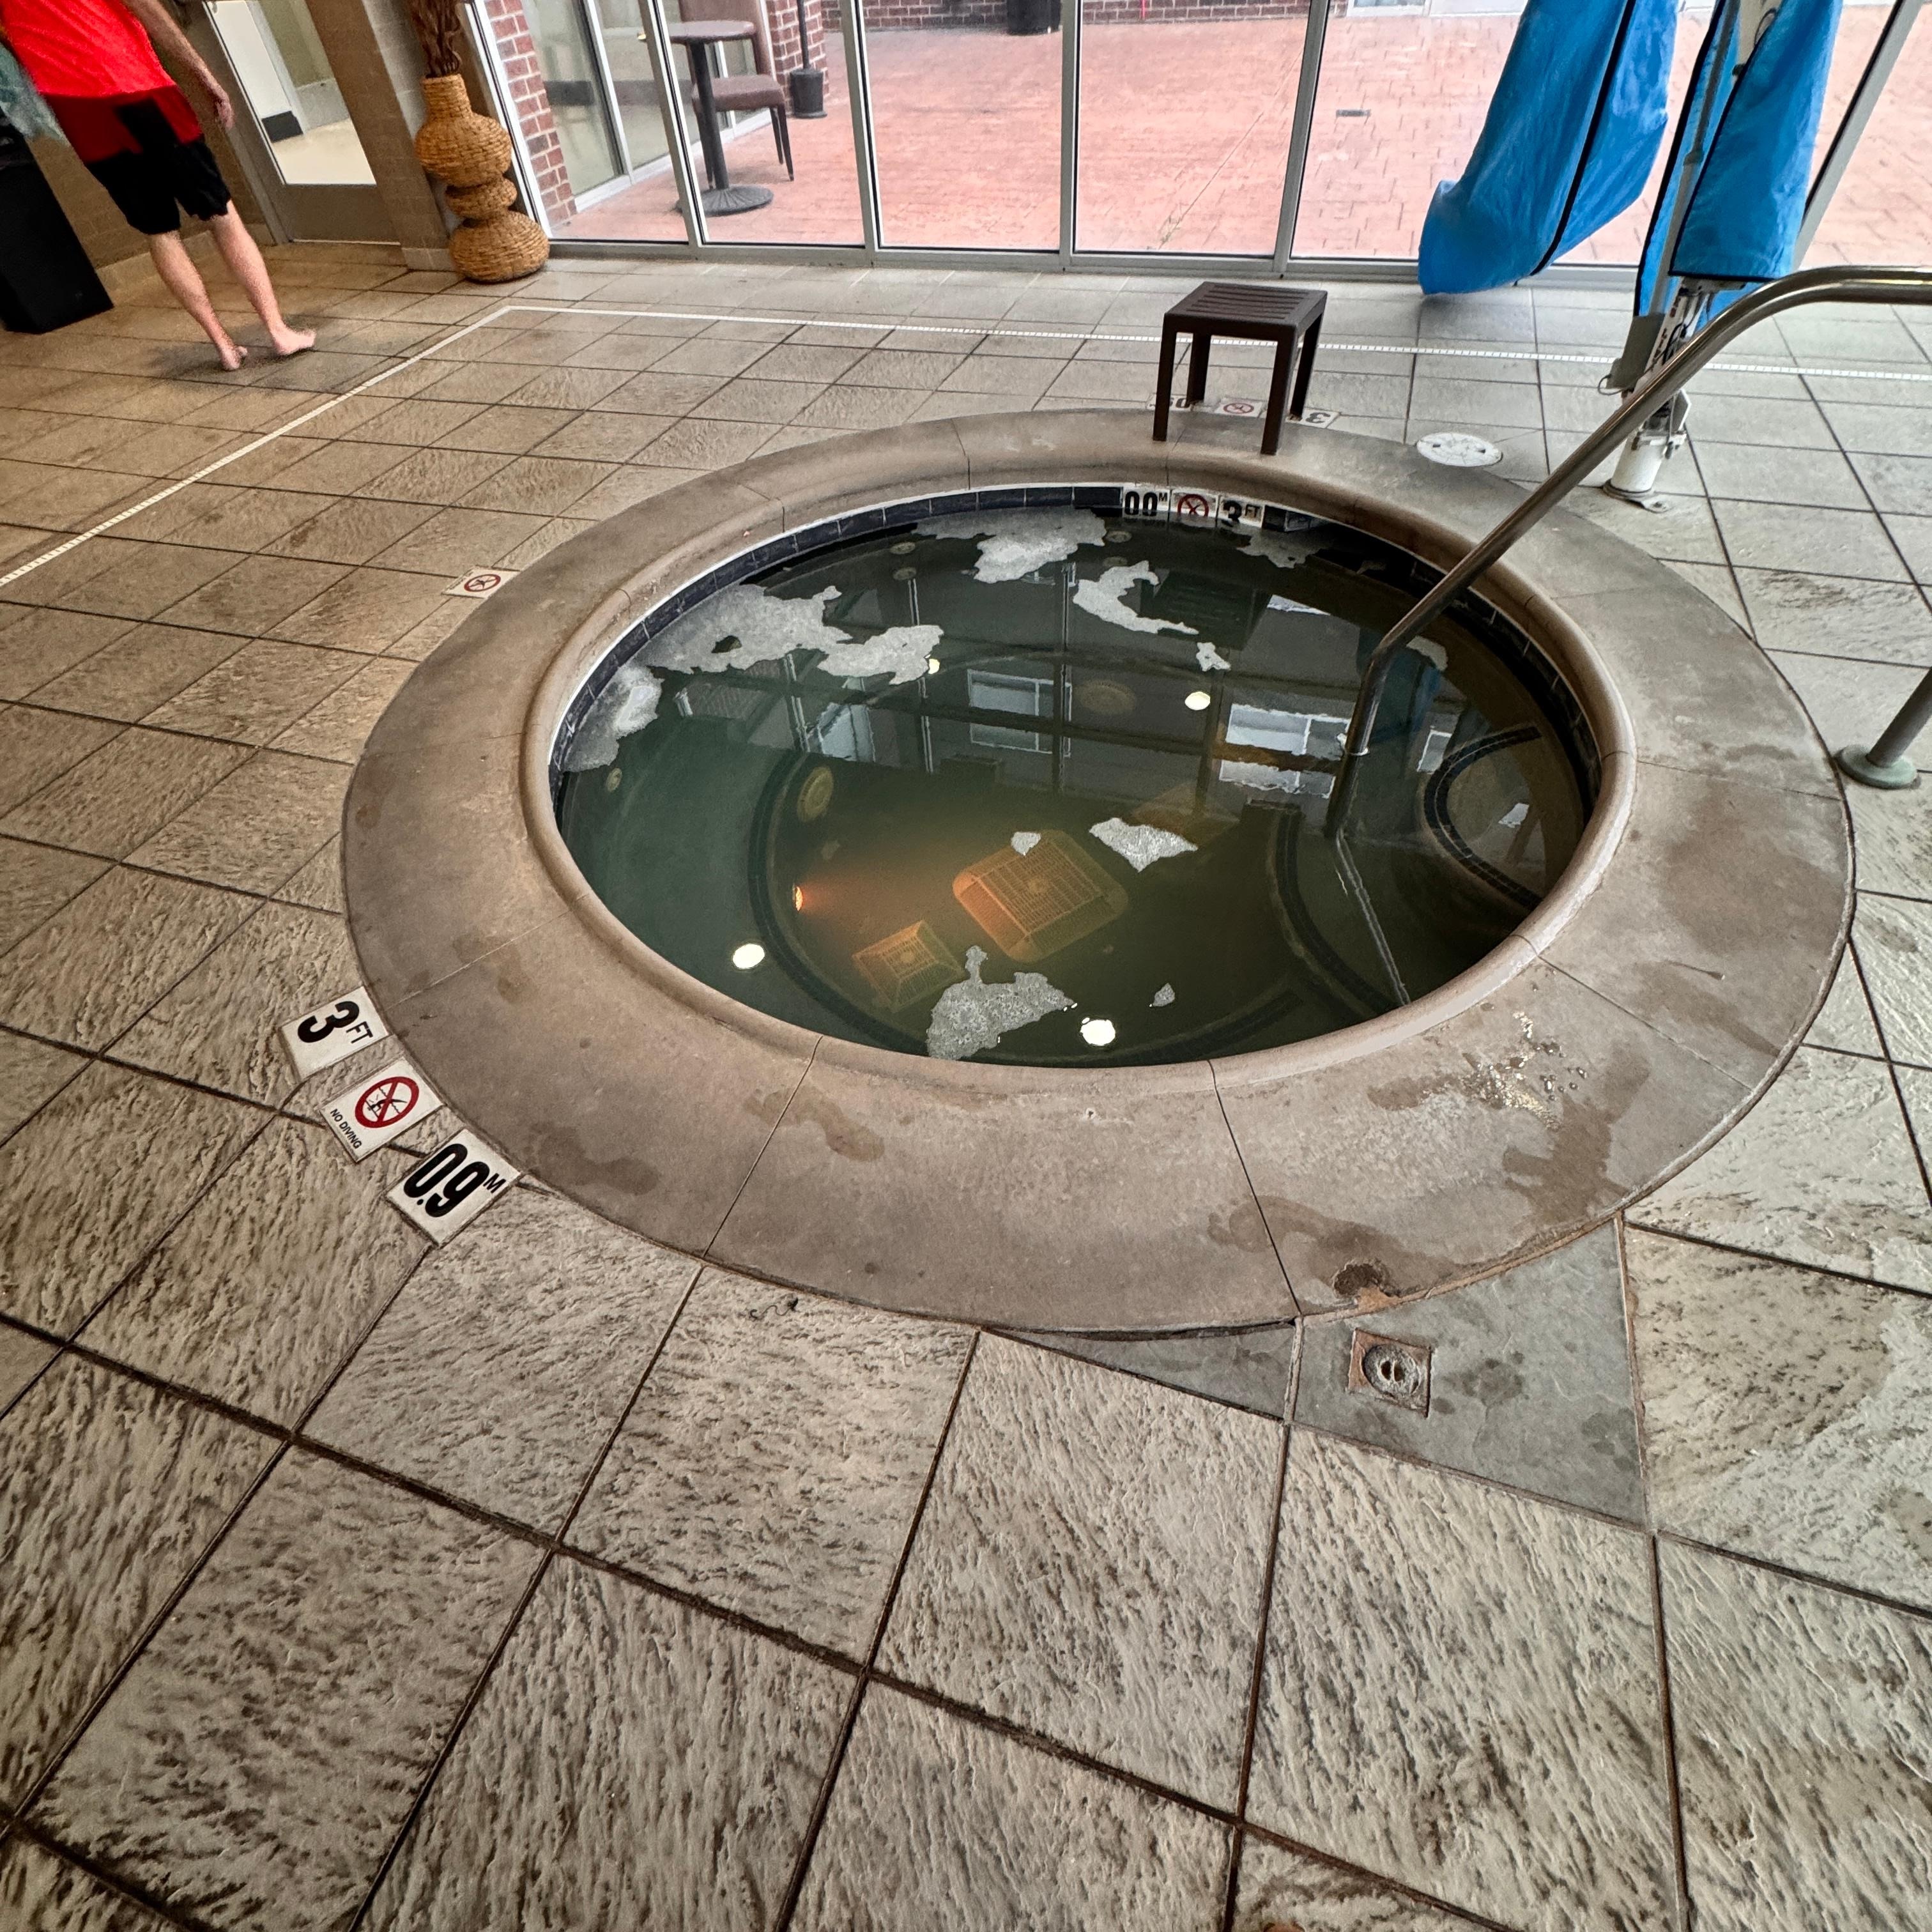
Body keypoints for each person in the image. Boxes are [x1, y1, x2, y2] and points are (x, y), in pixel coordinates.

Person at [0, 0, 313, 369]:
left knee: (159, 230)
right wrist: (203, 74)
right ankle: (277, 331)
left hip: (77, 108)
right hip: (135, 81)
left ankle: (223, 345)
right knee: (222, 214)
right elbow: (148, 8)